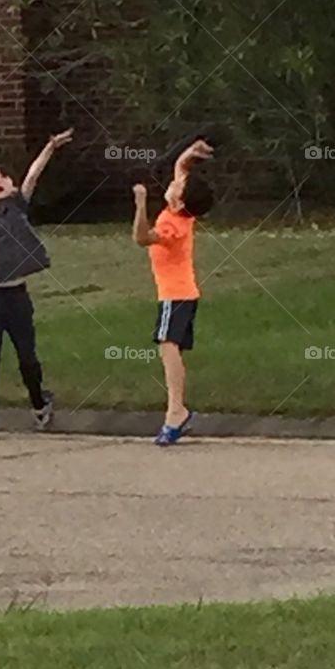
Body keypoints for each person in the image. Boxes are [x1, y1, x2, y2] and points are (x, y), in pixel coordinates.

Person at [0, 130, 74, 441]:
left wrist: (50, 146)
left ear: (13, 187)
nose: (0, 179)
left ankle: (39, 404)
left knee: (27, 358)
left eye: (6, 176)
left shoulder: (19, 206)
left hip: (17, 297)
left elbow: (33, 175)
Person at [132, 138, 214, 446]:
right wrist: (190, 154)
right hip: (182, 294)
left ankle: (176, 410)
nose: (174, 184)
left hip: (175, 295)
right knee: (170, 349)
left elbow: (141, 238)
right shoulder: (180, 211)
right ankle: (176, 409)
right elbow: (180, 169)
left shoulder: (173, 228)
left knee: (168, 348)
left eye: (178, 187)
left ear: (179, 202)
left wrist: (140, 203)